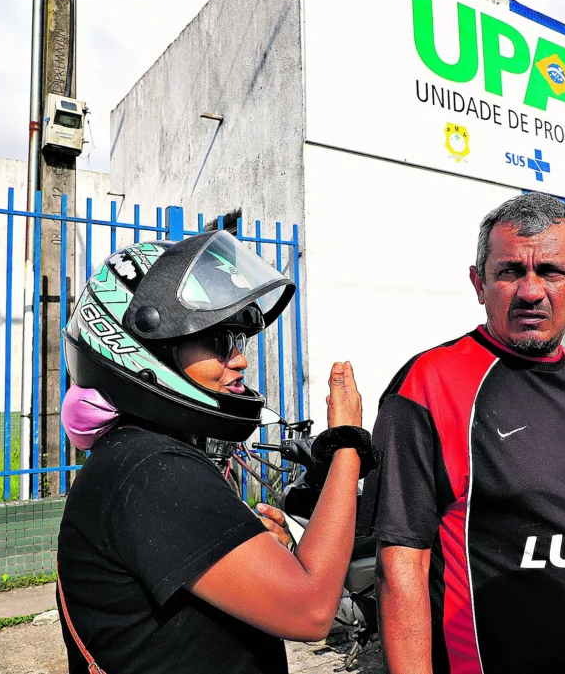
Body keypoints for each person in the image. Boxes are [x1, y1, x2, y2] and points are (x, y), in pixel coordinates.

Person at [367, 192, 565, 674]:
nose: (531, 292)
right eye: (510, 271)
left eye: (551, 271)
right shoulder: (429, 384)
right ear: (478, 283)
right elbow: (401, 564)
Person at [56, 230, 377, 674]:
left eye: (239, 341)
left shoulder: (137, 455)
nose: (240, 360)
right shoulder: (152, 471)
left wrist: (261, 555)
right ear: (149, 348)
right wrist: (346, 441)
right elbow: (312, 610)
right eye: (219, 342)